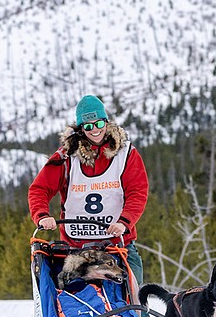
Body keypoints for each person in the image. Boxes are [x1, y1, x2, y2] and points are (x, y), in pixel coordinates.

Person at [29, 94, 150, 294]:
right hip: (76, 248)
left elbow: (137, 192)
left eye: (99, 122)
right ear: (80, 129)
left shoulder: (126, 154)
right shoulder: (66, 157)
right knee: (74, 304)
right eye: (88, 126)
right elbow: (39, 189)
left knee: (134, 302)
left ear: (106, 122)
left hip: (118, 244)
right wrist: (42, 216)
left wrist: (124, 222)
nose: (95, 129)